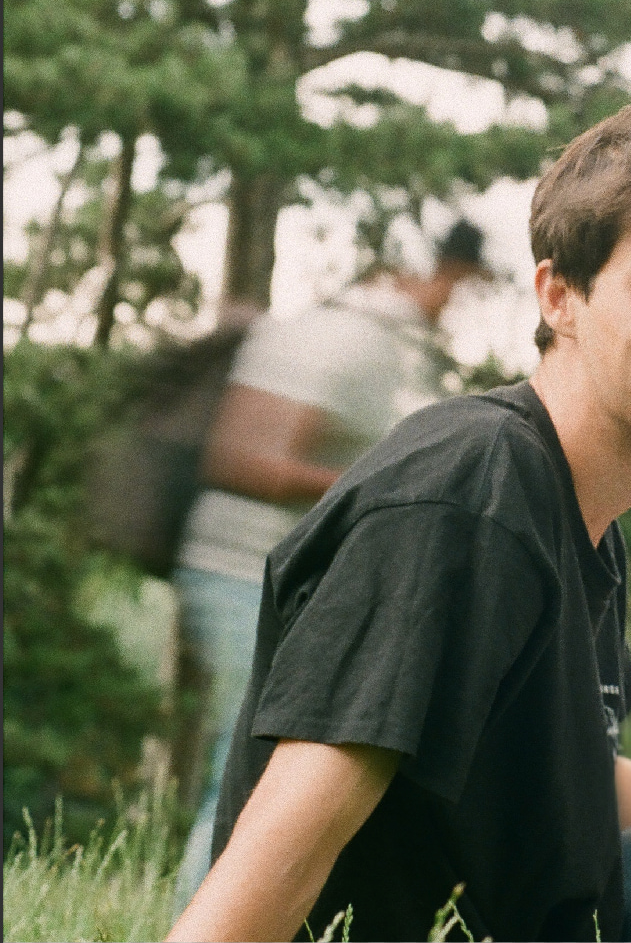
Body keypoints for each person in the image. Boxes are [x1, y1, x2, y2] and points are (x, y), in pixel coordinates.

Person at [166, 92, 631, 942]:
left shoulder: (579, 513)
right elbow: (288, 835)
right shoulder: (469, 495)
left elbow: (584, 768)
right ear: (558, 296)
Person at [170, 221, 495, 908]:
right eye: (465, 288)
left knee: (268, 775)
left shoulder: (393, 346)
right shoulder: (344, 337)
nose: (462, 306)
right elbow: (240, 459)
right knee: (255, 776)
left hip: (292, 584)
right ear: (441, 272)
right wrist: (387, 491)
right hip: (244, 574)